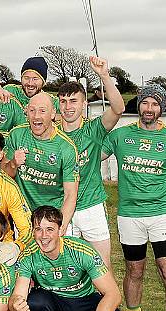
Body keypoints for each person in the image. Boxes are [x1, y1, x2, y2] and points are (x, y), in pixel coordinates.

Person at [101, 84, 166, 311]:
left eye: (155, 104)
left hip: (162, 214)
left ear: (163, 108)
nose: (149, 109)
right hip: (130, 215)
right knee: (135, 269)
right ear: (138, 105)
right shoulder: (121, 136)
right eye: (145, 103)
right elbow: (94, 155)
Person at [9, 206, 132, 311]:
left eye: (50, 229)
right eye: (38, 229)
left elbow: (114, 294)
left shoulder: (81, 250)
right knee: (34, 301)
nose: (44, 236)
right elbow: (18, 295)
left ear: (61, 230)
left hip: (84, 300)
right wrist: (16, 305)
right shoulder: (28, 255)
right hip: (53, 302)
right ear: (33, 232)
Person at [58, 56, 124, 270]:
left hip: (92, 207)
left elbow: (118, 108)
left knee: (101, 268)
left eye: (73, 101)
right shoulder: (51, 135)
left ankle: (108, 305)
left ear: (84, 103)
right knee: (68, 269)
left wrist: (104, 75)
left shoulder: (93, 131)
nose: (68, 107)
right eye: (63, 101)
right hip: (61, 207)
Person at [3, 92, 79, 234]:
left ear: (52, 114)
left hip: (53, 215)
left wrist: (61, 226)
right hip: (24, 215)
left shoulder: (66, 147)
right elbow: (4, 175)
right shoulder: (17, 135)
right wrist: (13, 163)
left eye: (42, 111)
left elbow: (70, 194)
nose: (36, 116)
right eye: (32, 110)